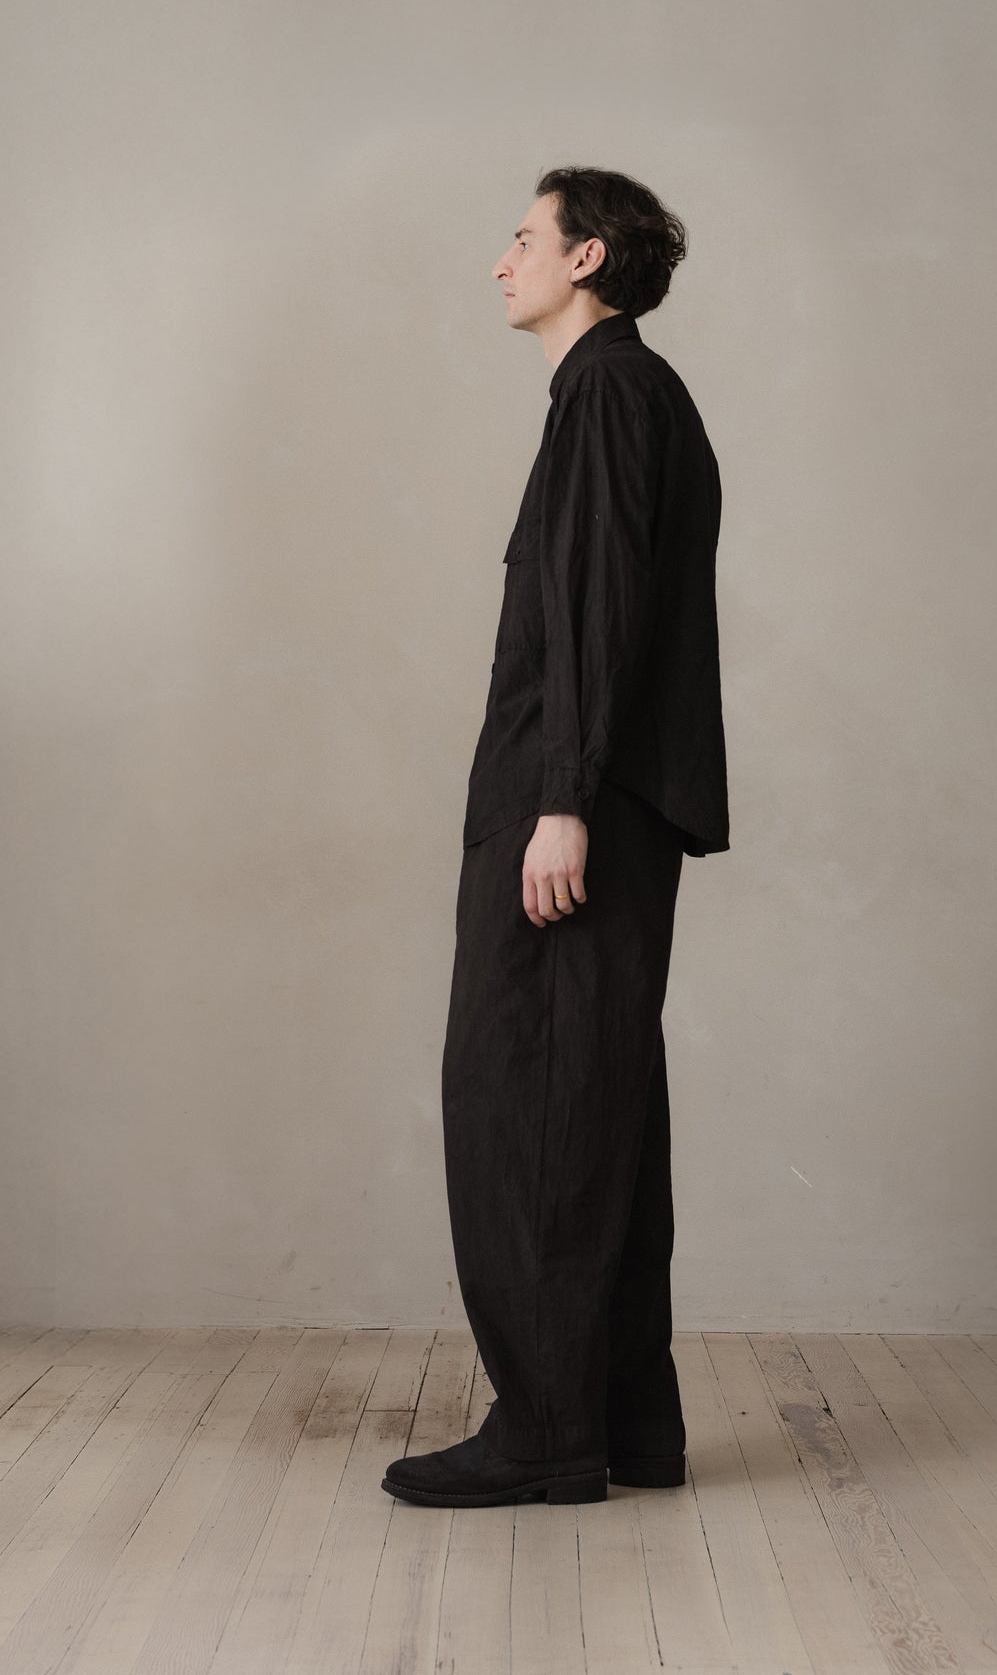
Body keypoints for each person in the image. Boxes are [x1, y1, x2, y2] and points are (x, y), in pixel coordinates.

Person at [382, 167, 729, 1508]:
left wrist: (562, 800)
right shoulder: (630, 395)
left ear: (586, 258)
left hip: (570, 809)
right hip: (597, 804)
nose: (502, 261)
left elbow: (593, 608)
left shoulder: (607, 393)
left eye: (524, 238)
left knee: (525, 1104)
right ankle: (627, 1425)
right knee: (595, 1109)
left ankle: (545, 1432)